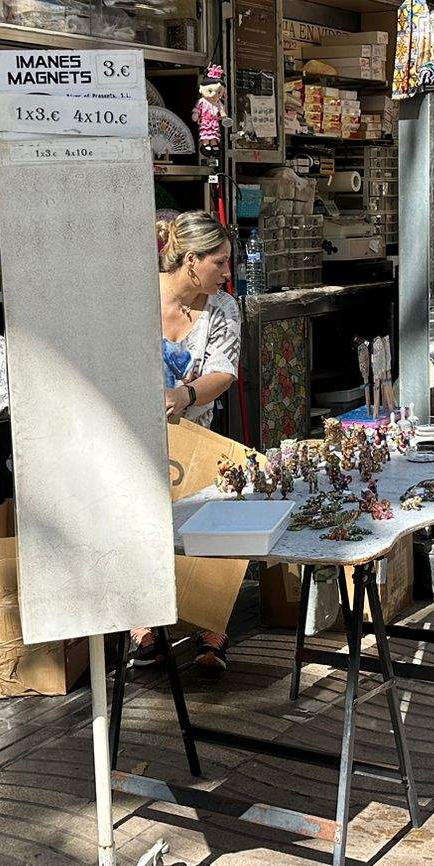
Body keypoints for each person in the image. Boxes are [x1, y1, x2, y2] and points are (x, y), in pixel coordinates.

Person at [153, 212, 239, 670]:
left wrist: (184, 394)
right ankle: (144, 626)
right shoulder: (136, 295)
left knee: (211, 523)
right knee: (146, 525)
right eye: (220, 263)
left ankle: (213, 628)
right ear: (191, 260)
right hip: (139, 437)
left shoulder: (222, 308)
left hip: (197, 433)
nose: (226, 273)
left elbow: (223, 371)